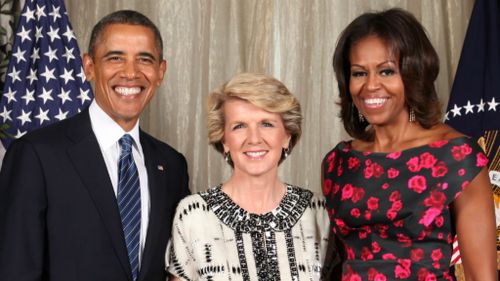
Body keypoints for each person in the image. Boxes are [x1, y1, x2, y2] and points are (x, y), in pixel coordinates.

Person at [0, 10, 190, 281]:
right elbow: (15, 271)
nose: (131, 73)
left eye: (144, 60)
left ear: (160, 72)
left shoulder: (172, 165)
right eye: (115, 58)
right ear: (89, 67)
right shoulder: (36, 155)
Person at [322, 8, 497, 281]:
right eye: (359, 73)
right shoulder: (339, 162)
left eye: (386, 71)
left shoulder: (458, 157)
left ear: (414, 73)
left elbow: (481, 277)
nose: (370, 85)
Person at [166, 73, 329, 280]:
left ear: (287, 136)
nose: (254, 139)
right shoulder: (193, 214)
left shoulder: (319, 213)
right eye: (239, 126)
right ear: (224, 139)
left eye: (267, 124)